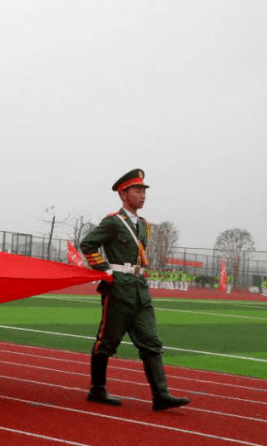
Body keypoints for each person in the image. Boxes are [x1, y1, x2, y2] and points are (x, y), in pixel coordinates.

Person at [81, 169, 191, 412]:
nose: (142, 196)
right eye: (137, 191)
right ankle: (97, 389)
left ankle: (161, 395)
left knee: (151, 342)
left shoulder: (144, 225)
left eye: (144, 191)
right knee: (106, 343)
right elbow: (87, 244)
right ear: (123, 193)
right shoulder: (113, 222)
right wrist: (106, 270)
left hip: (140, 289)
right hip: (119, 288)